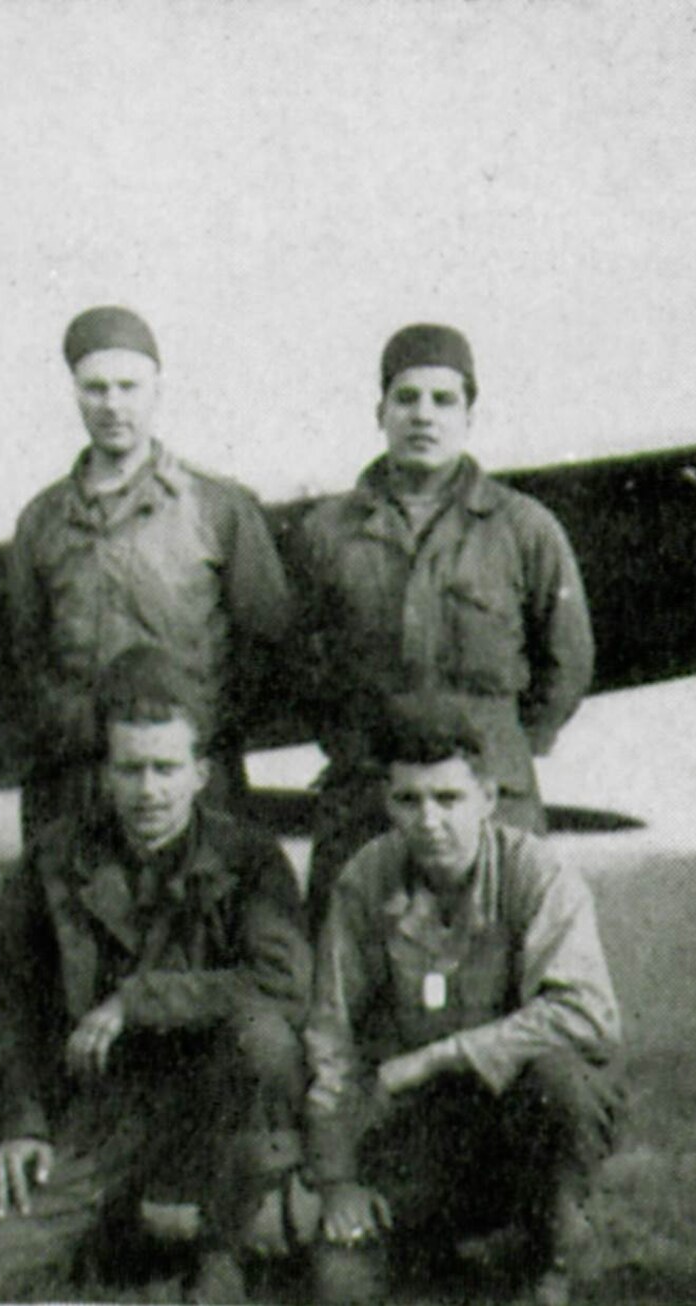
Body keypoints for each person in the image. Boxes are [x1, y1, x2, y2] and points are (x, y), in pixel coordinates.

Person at [0, 645, 311, 1302]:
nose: (149, 791)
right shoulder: (54, 860)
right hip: (98, 1106)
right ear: (105, 775)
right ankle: (115, 1228)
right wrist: (20, 1125)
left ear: (201, 772)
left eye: (166, 769)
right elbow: (13, 1006)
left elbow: (280, 984)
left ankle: (221, 1242)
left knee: (267, 1040)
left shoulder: (251, 861)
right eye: (131, 770)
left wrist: (137, 1001)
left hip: (213, 1104)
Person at [304, 701, 622, 1306]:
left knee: (563, 1080)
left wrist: (440, 1056)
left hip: (519, 1114)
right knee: (342, 1285)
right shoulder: (364, 882)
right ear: (387, 802)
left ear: (486, 798)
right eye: (409, 801)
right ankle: (437, 1241)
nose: (428, 821)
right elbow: (331, 1035)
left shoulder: (538, 873)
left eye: (448, 799)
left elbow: (585, 1014)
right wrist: (338, 1179)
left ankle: (549, 1246)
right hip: (425, 1124)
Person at [291, 323, 594, 930]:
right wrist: (354, 746)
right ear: (380, 412)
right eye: (406, 399)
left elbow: (566, 664)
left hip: (489, 801)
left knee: (502, 968)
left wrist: (499, 750)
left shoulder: (521, 529)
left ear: (469, 415)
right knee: (351, 974)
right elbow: (297, 664)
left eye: (443, 399)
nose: (423, 415)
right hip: (367, 797)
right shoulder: (327, 534)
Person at [9, 306, 291, 841]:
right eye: (95, 388)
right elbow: (26, 651)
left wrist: (202, 726)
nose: (113, 405)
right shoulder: (42, 522)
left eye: (128, 386)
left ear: (156, 390)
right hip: (79, 782)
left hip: (192, 781)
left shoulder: (215, 509)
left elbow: (267, 642)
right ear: (74, 393)